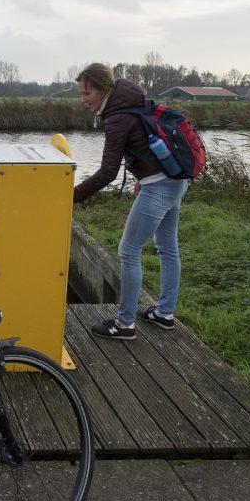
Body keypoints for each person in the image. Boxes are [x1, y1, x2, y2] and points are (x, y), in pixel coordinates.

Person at [73, 63, 188, 341]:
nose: (83, 99)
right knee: (167, 248)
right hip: (175, 181)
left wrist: (70, 197)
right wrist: (143, 173)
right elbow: (144, 144)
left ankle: (124, 324)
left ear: (102, 89)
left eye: (86, 92)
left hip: (158, 187)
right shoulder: (132, 103)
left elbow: (107, 172)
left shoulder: (117, 117)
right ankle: (164, 313)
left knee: (128, 251)